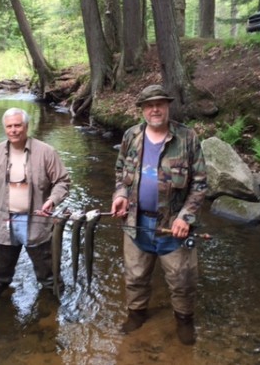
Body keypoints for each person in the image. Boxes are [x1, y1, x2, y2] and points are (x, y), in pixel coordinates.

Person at [110, 84, 207, 345]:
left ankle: (184, 321)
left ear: (168, 107)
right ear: (142, 109)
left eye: (160, 104)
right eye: (149, 105)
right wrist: (119, 195)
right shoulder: (131, 136)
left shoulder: (187, 137)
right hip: (135, 222)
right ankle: (137, 314)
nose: (155, 109)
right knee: (135, 276)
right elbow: (120, 172)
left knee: (182, 280)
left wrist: (185, 217)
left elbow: (199, 183)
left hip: (173, 227)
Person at [0, 107, 70, 302]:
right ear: (4, 128)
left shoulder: (46, 152)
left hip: (37, 224)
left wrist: (52, 200)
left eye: (18, 125)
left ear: (26, 126)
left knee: (49, 277)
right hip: (3, 223)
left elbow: (63, 181)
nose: (13, 130)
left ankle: (55, 310)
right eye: (9, 126)